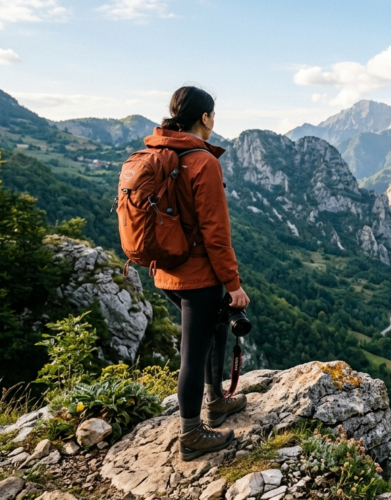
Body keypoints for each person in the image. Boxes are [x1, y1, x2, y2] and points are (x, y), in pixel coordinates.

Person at [144, 86, 250, 461]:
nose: (214, 122)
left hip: (165, 270)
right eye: (213, 116)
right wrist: (233, 286)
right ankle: (190, 434)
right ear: (205, 118)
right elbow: (215, 234)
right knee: (193, 352)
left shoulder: (157, 152)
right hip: (197, 275)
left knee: (215, 328)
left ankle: (216, 401)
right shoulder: (203, 161)